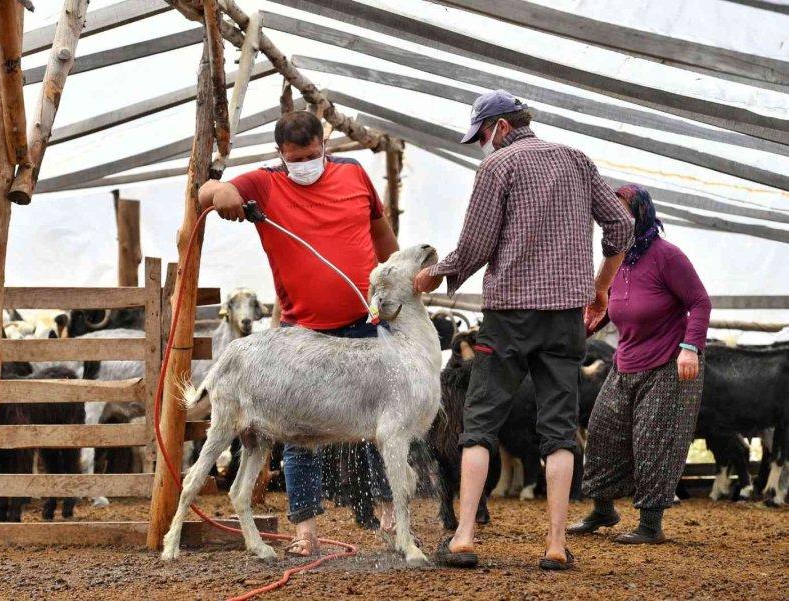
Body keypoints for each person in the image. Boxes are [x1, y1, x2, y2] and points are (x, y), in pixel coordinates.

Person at [414, 90, 634, 570]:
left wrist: (434, 274)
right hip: (565, 315)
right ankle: (555, 545)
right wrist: (600, 288)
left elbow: (475, 245)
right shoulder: (577, 160)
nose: (482, 145)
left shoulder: (498, 166)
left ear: (501, 126)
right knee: (559, 429)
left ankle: (464, 537)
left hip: (509, 315)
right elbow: (621, 225)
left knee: (479, 424)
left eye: (482, 135)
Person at [198, 110, 400, 557]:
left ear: (323, 146)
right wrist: (224, 192)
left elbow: (381, 234)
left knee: (383, 423)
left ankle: (391, 517)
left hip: (364, 321)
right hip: (302, 330)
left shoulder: (353, 173)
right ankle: (305, 530)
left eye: (311, 155)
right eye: (296, 159)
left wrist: (397, 283)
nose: (305, 164)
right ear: (280, 155)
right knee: (295, 431)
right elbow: (204, 192)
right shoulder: (266, 183)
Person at [568, 184, 711, 544]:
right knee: (602, 430)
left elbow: (700, 302)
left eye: (622, 212)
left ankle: (650, 524)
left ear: (641, 214)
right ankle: (603, 510)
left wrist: (690, 348)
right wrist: (585, 328)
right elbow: (612, 304)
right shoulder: (615, 259)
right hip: (625, 360)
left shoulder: (667, 256)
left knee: (654, 439)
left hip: (668, 363)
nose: (614, 219)